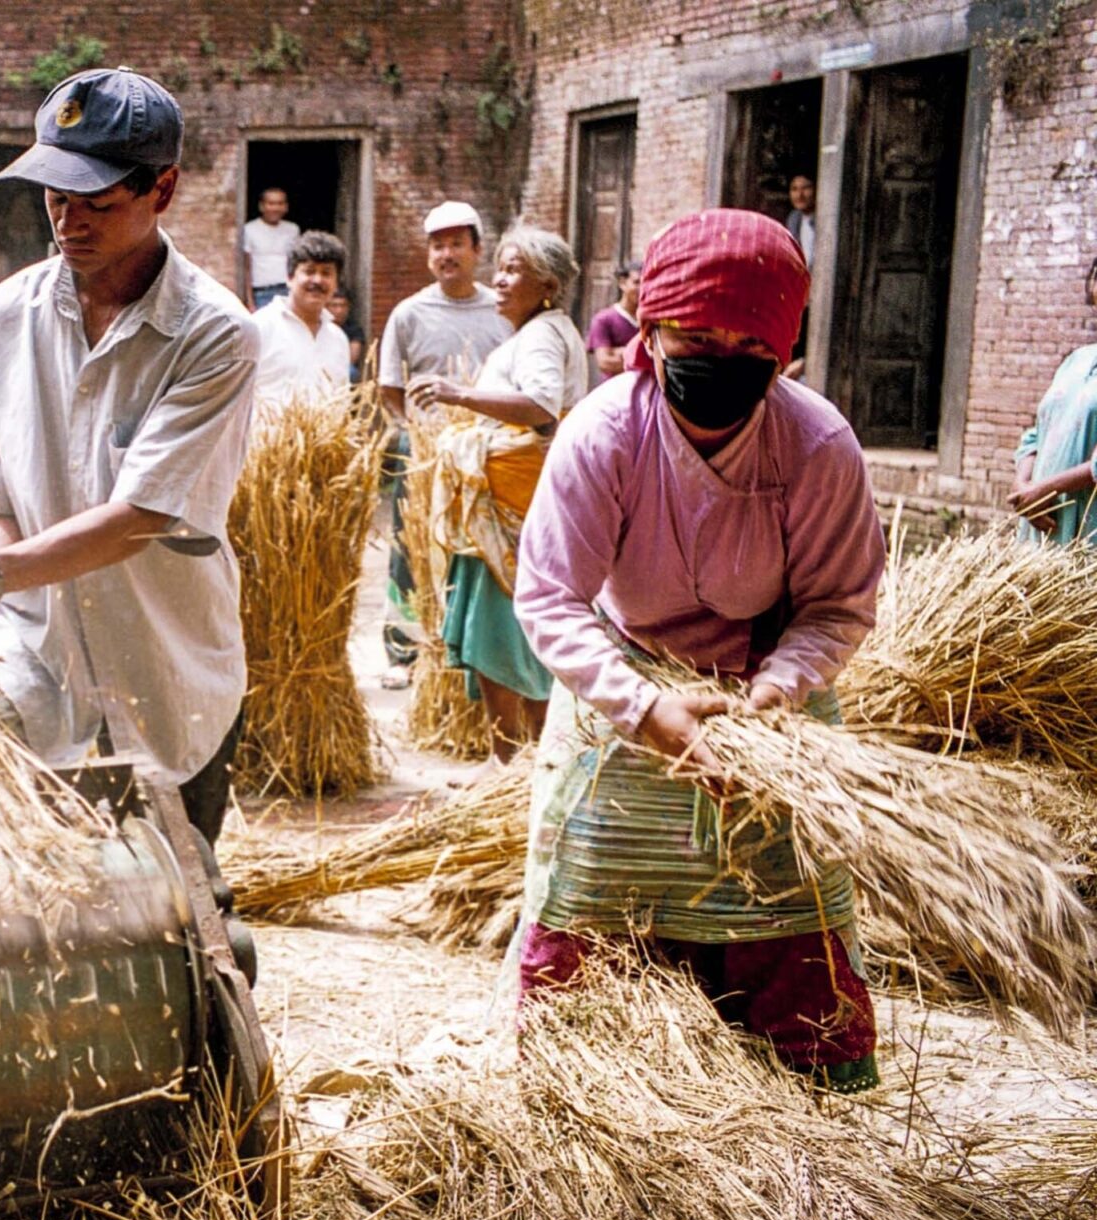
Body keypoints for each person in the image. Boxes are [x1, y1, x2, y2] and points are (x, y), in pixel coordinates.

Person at [513, 208, 886, 1093]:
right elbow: (551, 597)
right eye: (694, 333)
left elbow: (838, 606)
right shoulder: (604, 433)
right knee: (591, 925)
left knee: (790, 924)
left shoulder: (818, 444)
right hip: (616, 689)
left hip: (767, 707)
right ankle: (585, 1122)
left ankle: (801, 1134)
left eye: (745, 337)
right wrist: (643, 709)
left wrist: (782, 689)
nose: (717, 354)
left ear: (783, 349)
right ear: (650, 332)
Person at [0, 69, 255, 844]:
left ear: (162, 190)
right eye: (54, 198)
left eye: (97, 203)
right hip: (36, 675)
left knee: (180, 927)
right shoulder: (2, 319)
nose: (70, 223)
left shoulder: (215, 335)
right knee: (38, 927)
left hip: (167, 681)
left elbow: (138, 520)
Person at [410, 227, 587, 756]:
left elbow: (540, 406)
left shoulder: (540, 336)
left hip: (511, 516)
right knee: (515, 644)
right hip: (512, 510)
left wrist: (458, 394)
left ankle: (511, 767)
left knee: (503, 644)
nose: (500, 281)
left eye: (513, 270)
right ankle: (526, 763)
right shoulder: (542, 333)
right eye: (502, 268)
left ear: (548, 285)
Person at [375, 201, 513, 687]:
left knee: (474, 550)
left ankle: (469, 656)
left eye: (457, 243)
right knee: (408, 551)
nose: (446, 253)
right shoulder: (409, 313)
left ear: (478, 250)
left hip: (486, 452)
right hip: (426, 451)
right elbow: (389, 385)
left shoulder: (502, 312)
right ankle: (402, 652)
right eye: (438, 245)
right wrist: (408, 433)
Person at [1007, 256, 1097, 544]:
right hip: (1043, 527)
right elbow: (1035, 436)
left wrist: (1047, 488)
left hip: (1086, 533)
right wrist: (1023, 488)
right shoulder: (1076, 361)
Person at [251, 230, 353, 409]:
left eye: (326, 273)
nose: (317, 280)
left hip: (325, 437)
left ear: (336, 283)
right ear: (289, 278)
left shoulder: (338, 339)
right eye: (309, 271)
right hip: (268, 437)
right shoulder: (260, 327)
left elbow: (341, 402)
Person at [239, 186, 299, 312]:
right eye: (271, 203)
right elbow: (247, 268)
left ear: (286, 207)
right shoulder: (250, 229)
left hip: (286, 291)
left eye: (280, 203)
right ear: (262, 206)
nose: (276, 208)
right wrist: (250, 302)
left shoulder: (292, 230)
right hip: (261, 293)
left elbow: (296, 263)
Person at [584, 259, 641, 378]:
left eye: (646, 284)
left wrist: (622, 353)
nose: (641, 289)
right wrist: (644, 359)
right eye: (636, 282)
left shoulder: (651, 320)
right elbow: (605, 363)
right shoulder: (604, 319)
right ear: (622, 283)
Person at [328, 286, 366, 381]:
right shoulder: (319, 325)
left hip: (340, 367)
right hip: (320, 366)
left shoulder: (353, 329)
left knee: (351, 372)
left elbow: (352, 358)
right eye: (335, 306)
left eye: (343, 306)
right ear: (327, 307)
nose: (339, 310)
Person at [783, 174, 818, 262]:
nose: (799, 195)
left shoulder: (823, 219)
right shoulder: (794, 219)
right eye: (794, 189)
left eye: (806, 188)